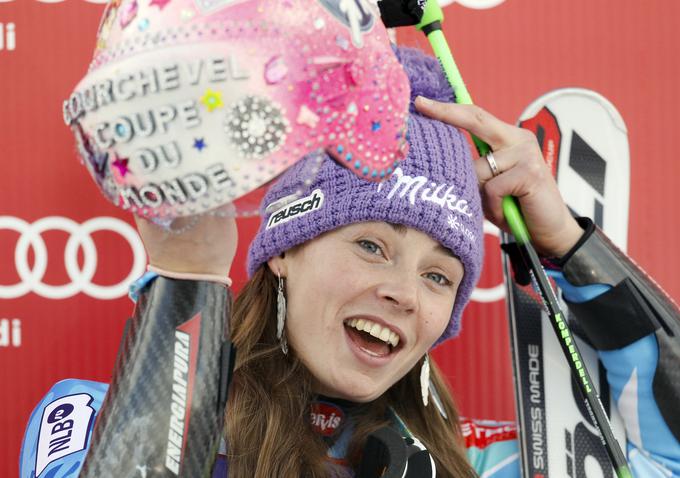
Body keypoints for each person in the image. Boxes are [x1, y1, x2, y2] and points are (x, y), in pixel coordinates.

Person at [22, 47, 680, 477]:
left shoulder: (474, 466)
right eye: (372, 246)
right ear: (285, 250)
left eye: (437, 275)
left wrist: (564, 244)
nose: (403, 293)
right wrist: (186, 284)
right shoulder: (94, 417)